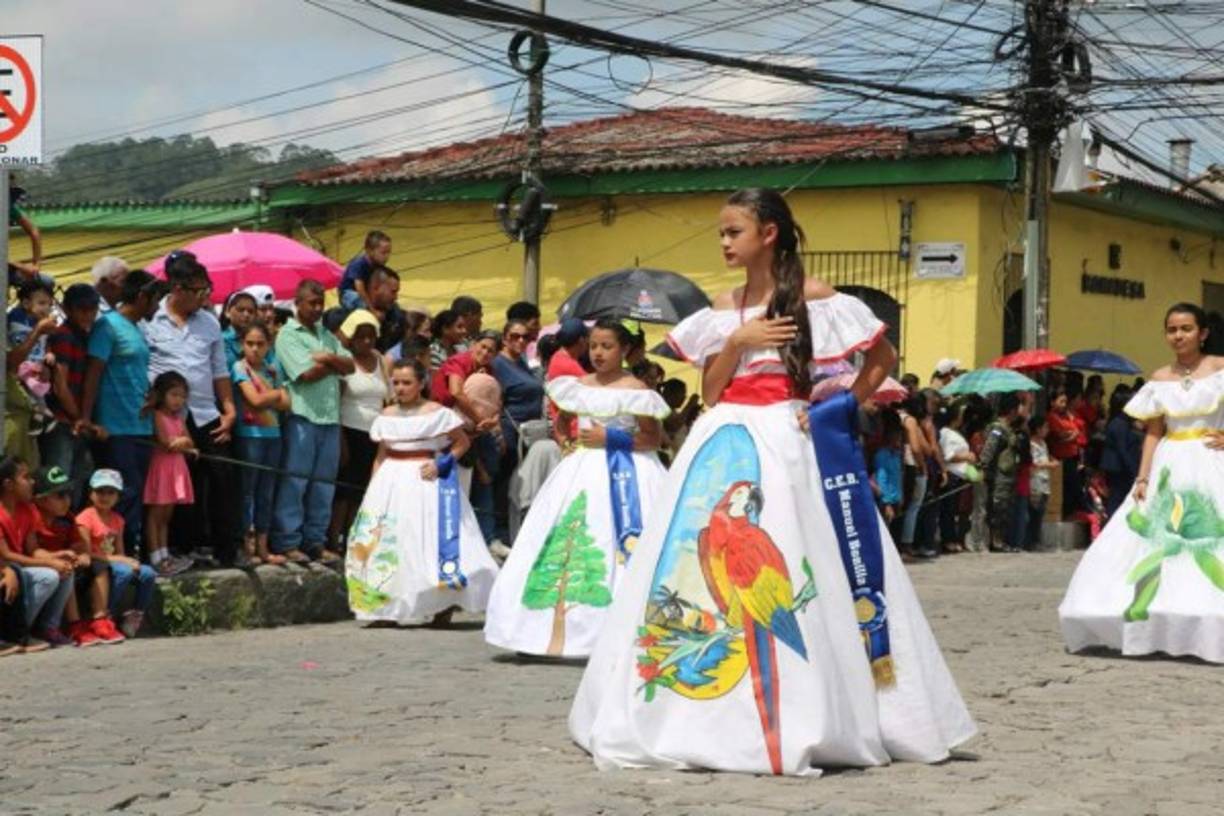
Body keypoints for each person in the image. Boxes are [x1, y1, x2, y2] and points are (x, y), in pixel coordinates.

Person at [570, 188, 974, 775]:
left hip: (789, 436)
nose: (724, 242)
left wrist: (841, 407)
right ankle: (699, 706)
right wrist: (736, 341)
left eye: (734, 231)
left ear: (769, 234)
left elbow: (881, 356)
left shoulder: (817, 299)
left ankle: (817, 704)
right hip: (724, 439)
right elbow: (709, 392)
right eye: (721, 233)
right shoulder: (722, 306)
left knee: (802, 558)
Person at [484, 319, 670, 657]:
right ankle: (538, 630)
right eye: (595, 346)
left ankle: (617, 630)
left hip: (626, 472)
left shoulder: (637, 390)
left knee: (616, 541)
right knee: (561, 537)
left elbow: (653, 438)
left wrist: (610, 437)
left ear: (624, 350)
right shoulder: (577, 386)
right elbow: (564, 418)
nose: (599, 353)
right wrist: (566, 437)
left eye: (607, 346)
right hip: (581, 469)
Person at [1061, 303, 1224, 663]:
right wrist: (1143, 476)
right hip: (1170, 461)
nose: (1178, 335)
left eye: (1186, 328)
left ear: (1203, 332)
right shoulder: (1160, 377)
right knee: (1154, 544)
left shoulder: (1219, 368)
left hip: (1212, 460)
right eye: (1171, 329)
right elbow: (1153, 432)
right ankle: (1156, 616)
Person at [343, 359, 498, 625]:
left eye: (407, 383)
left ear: (421, 384)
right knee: (389, 541)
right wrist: (373, 487)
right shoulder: (386, 415)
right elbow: (381, 454)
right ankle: (386, 606)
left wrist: (441, 463)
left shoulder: (436, 412)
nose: (401, 388)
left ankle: (442, 602)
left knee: (426, 540)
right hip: (390, 481)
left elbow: (461, 443)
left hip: (424, 481)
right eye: (396, 383)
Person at [146, 252, 241, 567]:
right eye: (198, 290)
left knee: (223, 477)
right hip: (168, 418)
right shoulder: (151, 320)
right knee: (175, 486)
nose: (204, 296)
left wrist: (228, 410)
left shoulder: (209, 323)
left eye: (206, 289)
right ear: (177, 288)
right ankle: (181, 548)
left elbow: (219, 371)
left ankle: (227, 549)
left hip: (205, 412)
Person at [82, 270, 180, 569]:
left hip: (140, 426)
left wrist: (151, 398)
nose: (157, 308)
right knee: (123, 496)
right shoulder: (107, 326)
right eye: (155, 301)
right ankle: (117, 561)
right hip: (115, 428)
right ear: (141, 297)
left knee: (136, 497)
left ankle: (132, 556)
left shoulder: (137, 329)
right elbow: (94, 373)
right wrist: (86, 418)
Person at [272, 280, 355, 564]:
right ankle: (287, 541)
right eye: (312, 303)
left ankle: (314, 541)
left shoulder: (326, 336)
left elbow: (351, 365)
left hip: (329, 417)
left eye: (321, 303)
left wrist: (329, 357)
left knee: (323, 484)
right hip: (302, 415)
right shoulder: (287, 334)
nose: (318, 309)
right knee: (295, 481)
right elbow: (305, 374)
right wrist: (334, 364)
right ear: (297, 302)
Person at [329, 310, 391, 552]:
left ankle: (352, 536)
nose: (366, 342)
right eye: (361, 336)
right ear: (351, 338)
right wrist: (341, 439)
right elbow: (336, 401)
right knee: (343, 490)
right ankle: (334, 538)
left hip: (373, 434)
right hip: (349, 430)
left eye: (371, 337)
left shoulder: (380, 360)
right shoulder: (344, 360)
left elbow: (386, 398)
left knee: (363, 490)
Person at [0, 456, 72, 652]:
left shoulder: (27, 509)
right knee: (47, 576)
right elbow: (6, 555)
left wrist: (55, 557)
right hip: (6, 565)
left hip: (17, 566)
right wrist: (50, 565)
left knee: (66, 570)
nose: (32, 482)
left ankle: (45, 628)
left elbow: (33, 549)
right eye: (25, 477)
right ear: (8, 484)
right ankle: (13, 633)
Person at [232, 323, 290, 566]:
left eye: (261, 344)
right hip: (249, 436)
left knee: (266, 492)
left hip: (273, 435)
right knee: (247, 492)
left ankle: (264, 548)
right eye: (250, 343)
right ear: (242, 344)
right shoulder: (239, 367)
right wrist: (275, 396)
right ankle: (247, 546)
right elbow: (254, 400)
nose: (255, 349)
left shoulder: (273, 369)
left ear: (269, 345)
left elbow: (287, 404)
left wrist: (275, 398)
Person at [77, 469, 156, 641]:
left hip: (113, 562)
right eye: (100, 491)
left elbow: (119, 551)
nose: (105, 497)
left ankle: (135, 615)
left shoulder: (118, 519)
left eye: (111, 492)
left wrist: (125, 560)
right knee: (124, 571)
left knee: (148, 573)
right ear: (91, 494)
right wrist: (121, 560)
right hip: (96, 566)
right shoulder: (85, 518)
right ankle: (105, 614)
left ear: (118, 497)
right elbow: (86, 552)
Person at [30, 465, 104, 646]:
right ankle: (72, 625)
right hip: (37, 565)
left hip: (62, 565)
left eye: (68, 494)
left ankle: (100, 618)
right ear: (39, 500)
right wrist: (55, 558)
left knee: (99, 567)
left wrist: (83, 555)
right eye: (59, 496)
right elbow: (29, 551)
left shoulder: (66, 518)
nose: (67, 500)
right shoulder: (31, 517)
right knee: (64, 569)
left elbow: (78, 544)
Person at [42, 284, 100, 507]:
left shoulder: (83, 336)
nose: (88, 314)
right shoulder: (64, 336)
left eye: (92, 309)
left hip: (74, 422)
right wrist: (79, 417)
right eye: (82, 309)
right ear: (67, 309)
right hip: (61, 422)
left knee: (79, 480)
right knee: (60, 484)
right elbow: (60, 385)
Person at [491, 319, 546, 545]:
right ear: (504, 338)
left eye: (525, 336)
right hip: (510, 431)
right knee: (505, 482)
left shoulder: (522, 361)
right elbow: (495, 399)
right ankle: (500, 532)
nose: (521, 341)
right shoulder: (498, 364)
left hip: (528, 433)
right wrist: (498, 432)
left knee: (519, 482)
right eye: (515, 336)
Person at [142, 372, 197, 571]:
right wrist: (182, 442)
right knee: (155, 514)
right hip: (162, 468)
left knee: (166, 516)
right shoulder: (157, 415)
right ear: (162, 394)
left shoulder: (178, 418)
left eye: (182, 396)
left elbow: (189, 441)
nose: (178, 400)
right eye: (174, 395)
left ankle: (165, 554)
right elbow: (167, 443)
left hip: (177, 469)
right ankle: (155, 556)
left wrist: (182, 442)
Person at [6, 277, 58, 458]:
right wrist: (38, 331)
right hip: (13, 402)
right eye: (42, 303)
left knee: (38, 392)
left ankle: (40, 417)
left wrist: (47, 358)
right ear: (26, 303)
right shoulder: (13, 321)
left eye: (49, 304)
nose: (46, 308)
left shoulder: (41, 323)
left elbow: (45, 345)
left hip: (35, 371)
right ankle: (42, 414)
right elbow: (13, 360)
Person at [980, 393, 1025, 553]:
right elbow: (989, 450)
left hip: (1007, 476)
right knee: (998, 509)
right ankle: (995, 541)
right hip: (999, 476)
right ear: (1012, 410)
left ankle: (999, 540)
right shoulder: (998, 429)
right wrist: (983, 467)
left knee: (1004, 509)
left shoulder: (1009, 429)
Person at [938, 402, 977, 554]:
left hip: (961, 475)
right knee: (948, 510)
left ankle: (953, 538)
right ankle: (948, 540)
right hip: (952, 474)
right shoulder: (946, 433)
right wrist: (966, 456)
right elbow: (948, 456)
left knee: (954, 509)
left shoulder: (957, 432)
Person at [1100, 387, 1142, 519]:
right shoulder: (1119, 424)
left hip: (1120, 468)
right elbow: (1123, 450)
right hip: (1119, 469)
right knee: (1116, 500)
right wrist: (1134, 471)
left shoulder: (1123, 423)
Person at [1048, 388, 1086, 519]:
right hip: (1061, 457)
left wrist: (1072, 434)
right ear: (1053, 402)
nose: (1064, 405)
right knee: (1067, 488)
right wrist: (1073, 435)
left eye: (1065, 402)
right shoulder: (1052, 417)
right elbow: (1060, 436)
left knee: (1071, 489)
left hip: (1072, 457)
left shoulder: (1065, 416)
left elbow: (1075, 430)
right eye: (1061, 401)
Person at [339, 230, 392, 310]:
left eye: (389, 252)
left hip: (365, 293)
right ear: (369, 251)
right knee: (358, 300)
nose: (387, 256)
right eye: (383, 253)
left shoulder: (378, 265)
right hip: (349, 294)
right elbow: (359, 287)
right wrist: (371, 308)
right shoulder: (358, 263)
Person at [1027, 415, 1057, 550]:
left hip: (1044, 482)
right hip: (1035, 482)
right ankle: (1032, 541)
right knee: (1035, 514)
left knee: (1040, 514)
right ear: (1038, 429)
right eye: (1045, 427)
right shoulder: (1031, 445)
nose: (1047, 430)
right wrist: (1050, 464)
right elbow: (1035, 463)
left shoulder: (1043, 444)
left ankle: (1036, 540)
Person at [873, 411, 904, 529]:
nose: (900, 440)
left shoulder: (897, 454)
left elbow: (899, 476)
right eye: (897, 436)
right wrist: (886, 504)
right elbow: (882, 480)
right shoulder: (881, 455)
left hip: (896, 498)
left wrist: (901, 497)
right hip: (887, 500)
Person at [220, 291, 258, 368]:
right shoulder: (220, 340)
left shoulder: (259, 340)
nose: (246, 314)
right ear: (227, 312)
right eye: (240, 310)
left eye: (251, 311)